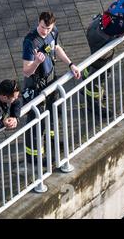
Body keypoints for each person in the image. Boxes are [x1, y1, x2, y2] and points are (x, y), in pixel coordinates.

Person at [22, 11, 81, 163]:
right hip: (36, 85)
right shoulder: (30, 42)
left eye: (48, 28)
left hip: (51, 79)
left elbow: (56, 48)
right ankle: (34, 155)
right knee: (36, 120)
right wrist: (36, 62)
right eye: (43, 27)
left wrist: (71, 64)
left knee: (53, 110)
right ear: (38, 22)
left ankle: (51, 141)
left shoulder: (53, 32)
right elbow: (26, 71)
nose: (45, 31)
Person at [0, 79, 22, 171]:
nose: (16, 98)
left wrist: (15, 117)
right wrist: (2, 123)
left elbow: (17, 102)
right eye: (14, 97)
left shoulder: (1, 91)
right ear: (4, 97)